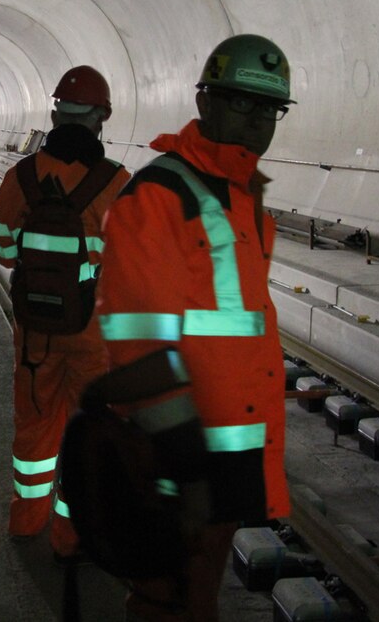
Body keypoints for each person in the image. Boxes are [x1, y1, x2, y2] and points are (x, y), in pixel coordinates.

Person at [93, 34, 295, 621]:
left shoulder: (240, 198)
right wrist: (182, 462)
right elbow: (138, 342)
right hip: (179, 453)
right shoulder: (160, 196)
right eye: (241, 102)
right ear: (204, 100)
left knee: (196, 595)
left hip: (227, 449)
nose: (256, 120)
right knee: (168, 601)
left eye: (270, 109)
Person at [0, 65, 131, 559]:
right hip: (92, 335)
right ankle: (70, 537)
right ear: (102, 117)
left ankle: (26, 519)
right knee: (86, 433)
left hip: (36, 332)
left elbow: (5, 254)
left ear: (54, 115)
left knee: (34, 423)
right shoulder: (117, 183)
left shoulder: (20, 178)